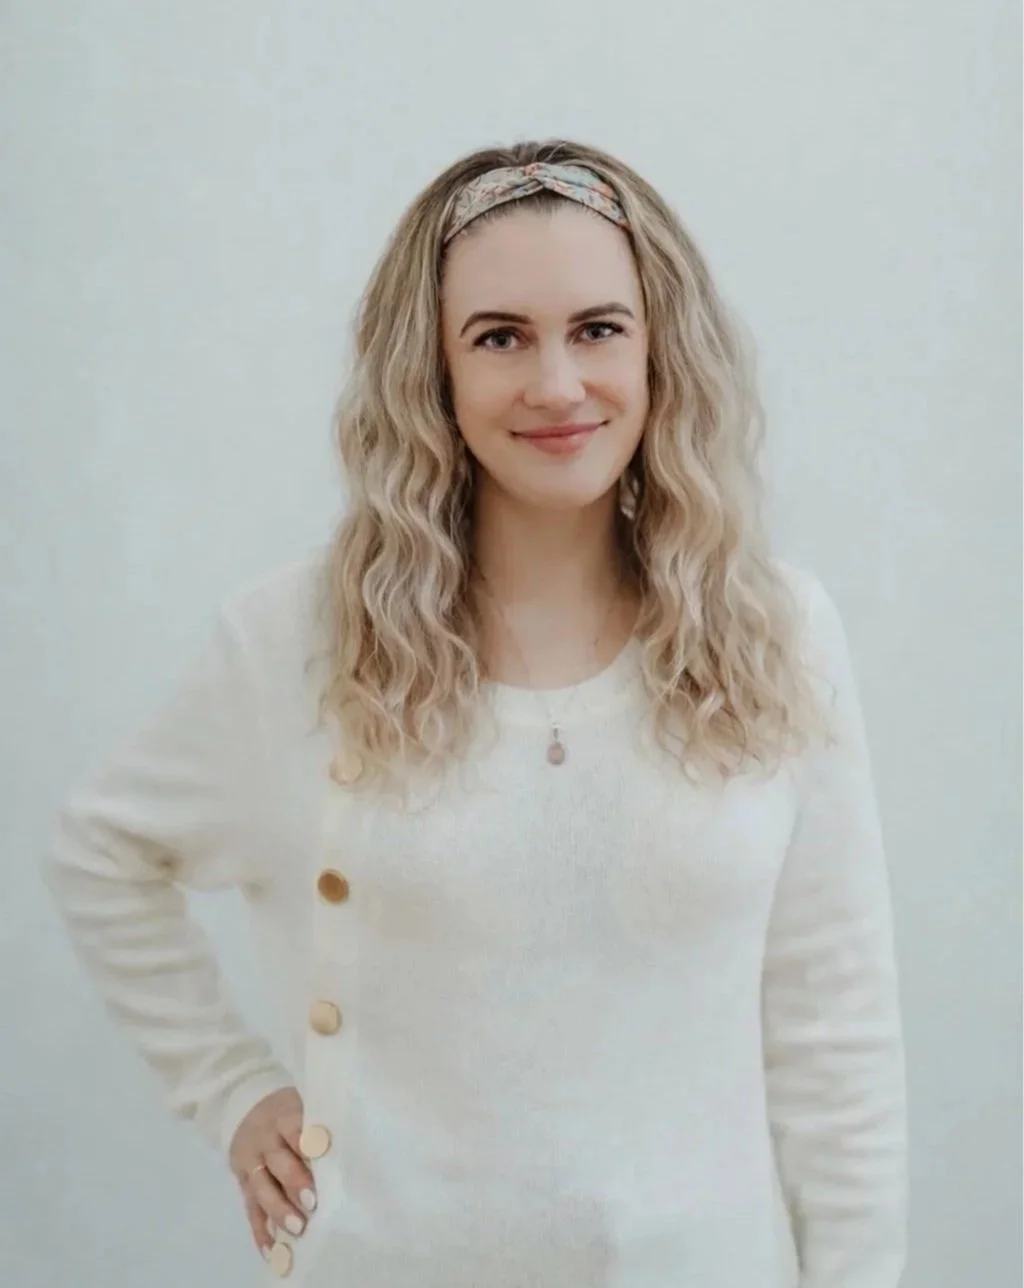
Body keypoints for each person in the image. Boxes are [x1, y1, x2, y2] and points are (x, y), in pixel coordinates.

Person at [42, 139, 907, 1287]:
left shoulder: (778, 633)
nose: (556, 385)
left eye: (597, 328)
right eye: (499, 337)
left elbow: (833, 1034)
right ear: (434, 373)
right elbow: (102, 853)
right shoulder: (296, 642)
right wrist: (233, 1088)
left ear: (660, 352)